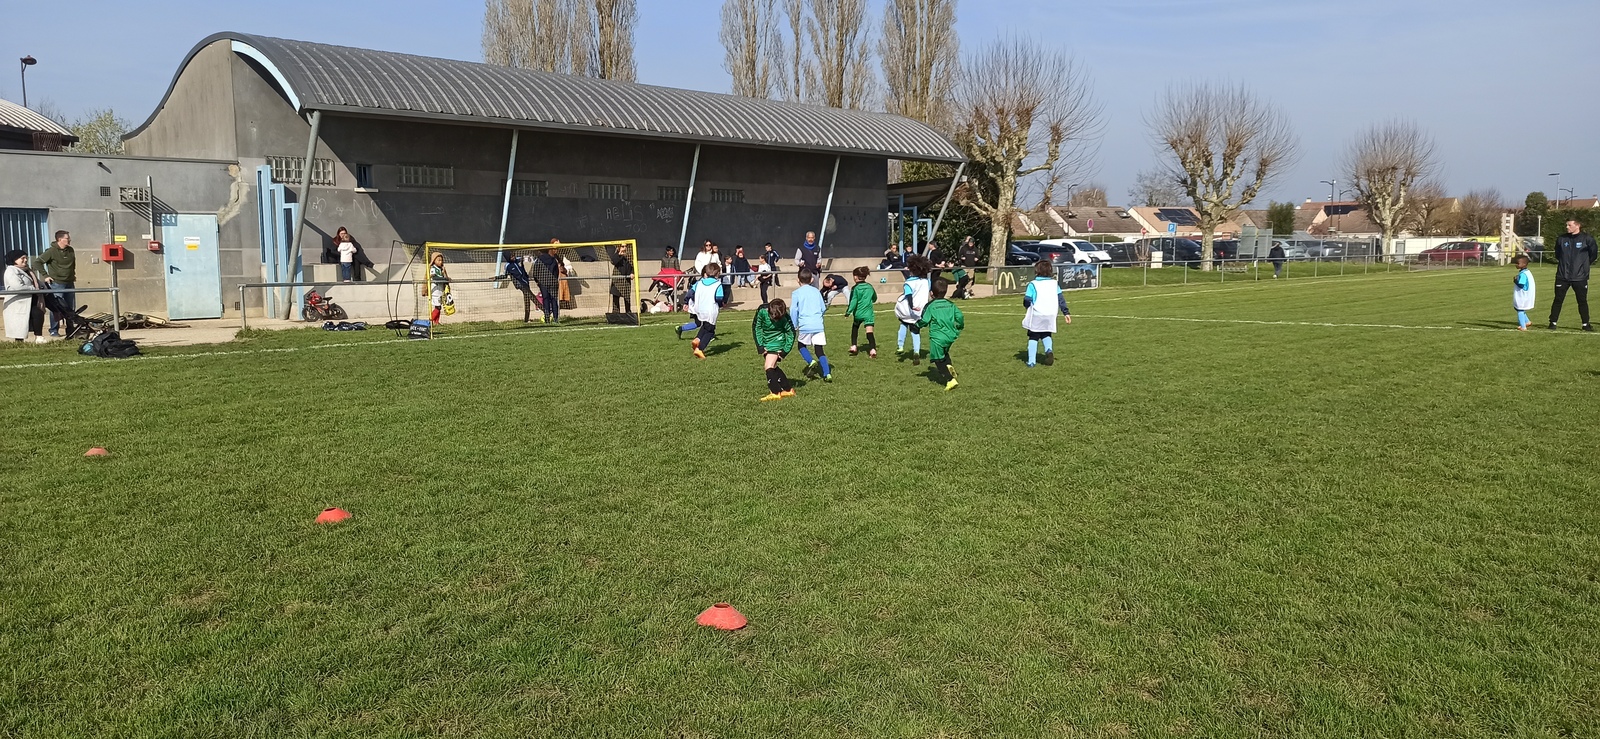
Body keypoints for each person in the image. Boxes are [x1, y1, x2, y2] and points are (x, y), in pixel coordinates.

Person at [916, 278, 965, 391]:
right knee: (944, 353)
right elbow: (960, 316)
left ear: (931, 293)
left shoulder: (930, 306)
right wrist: (959, 326)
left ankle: (950, 380)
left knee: (937, 359)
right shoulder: (951, 304)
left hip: (937, 337)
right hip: (950, 336)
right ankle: (949, 365)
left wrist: (916, 325)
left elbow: (925, 320)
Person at [1548, 218, 1596, 331]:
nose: (1567, 227)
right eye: (1566, 225)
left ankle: (1585, 324)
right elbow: (1558, 254)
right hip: (1562, 276)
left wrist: (1582, 266)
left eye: (1569, 225)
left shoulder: (1587, 239)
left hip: (1580, 277)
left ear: (1577, 225)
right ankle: (1552, 323)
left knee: (1582, 301)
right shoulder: (1561, 239)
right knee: (1558, 300)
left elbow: (1593, 255)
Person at [1022, 260, 1072, 366]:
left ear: (1037, 271)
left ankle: (1031, 361)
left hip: (1037, 314)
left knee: (1033, 336)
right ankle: (1048, 350)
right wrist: (1066, 313)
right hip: (1051, 314)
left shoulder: (1033, 284)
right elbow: (1061, 299)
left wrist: (1027, 306)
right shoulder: (1054, 284)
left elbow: (1027, 299)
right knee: (1046, 334)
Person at [791, 269, 831, 382]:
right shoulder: (816, 292)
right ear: (812, 279)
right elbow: (823, 308)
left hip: (805, 325)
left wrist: (794, 324)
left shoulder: (796, 293)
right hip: (818, 325)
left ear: (798, 280)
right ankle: (827, 374)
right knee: (819, 350)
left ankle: (811, 361)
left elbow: (793, 310)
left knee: (801, 346)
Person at [753, 298, 797, 401]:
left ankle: (775, 392)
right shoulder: (762, 310)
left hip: (778, 342)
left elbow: (791, 333)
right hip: (766, 341)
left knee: (768, 366)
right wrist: (760, 345)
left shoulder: (785, 317)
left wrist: (785, 351)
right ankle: (788, 389)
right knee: (773, 366)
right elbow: (756, 327)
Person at [35, 230, 75, 337]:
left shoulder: (70, 250)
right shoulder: (51, 251)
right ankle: (54, 330)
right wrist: (45, 275)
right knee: (57, 307)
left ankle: (71, 330)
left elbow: (72, 265)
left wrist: (72, 275)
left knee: (70, 307)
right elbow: (37, 263)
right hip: (57, 283)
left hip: (70, 283)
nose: (70, 240)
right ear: (60, 239)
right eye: (67, 238)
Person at [894, 255, 933, 365]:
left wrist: (911, 306)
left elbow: (909, 295)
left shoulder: (909, 283)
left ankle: (900, 346)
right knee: (915, 331)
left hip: (908, 310)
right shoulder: (927, 282)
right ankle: (916, 351)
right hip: (920, 311)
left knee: (903, 324)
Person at [3, 250, 47, 343]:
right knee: (19, 322)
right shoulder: (11, 271)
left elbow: (35, 281)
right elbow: (17, 286)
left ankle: (39, 337)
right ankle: (19, 341)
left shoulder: (27, 270)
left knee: (38, 313)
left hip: (31, 299)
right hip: (18, 302)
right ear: (14, 260)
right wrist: (33, 289)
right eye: (22, 258)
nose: (25, 260)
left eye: (26, 258)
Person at [689, 263, 728, 359]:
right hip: (711, 309)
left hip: (700, 308)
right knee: (710, 331)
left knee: (705, 326)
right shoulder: (717, 284)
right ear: (717, 273)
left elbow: (691, 292)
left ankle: (697, 339)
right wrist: (721, 304)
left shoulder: (699, 282)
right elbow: (719, 298)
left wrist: (687, 302)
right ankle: (700, 349)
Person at [846, 266, 878, 358]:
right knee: (869, 332)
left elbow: (853, 301)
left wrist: (848, 312)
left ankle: (854, 346)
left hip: (858, 313)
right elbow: (875, 298)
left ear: (855, 277)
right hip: (868, 313)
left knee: (855, 328)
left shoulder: (855, 288)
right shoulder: (870, 287)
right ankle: (872, 349)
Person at [531, 247, 562, 323]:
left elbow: (535, 272)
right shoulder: (553, 260)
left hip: (543, 283)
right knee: (554, 300)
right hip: (553, 283)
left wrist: (538, 281)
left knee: (546, 300)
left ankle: (547, 318)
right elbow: (556, 272)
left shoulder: (539, 260)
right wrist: (555, 280)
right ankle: (556, 319)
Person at [504, 251, 536, 323]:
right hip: (521, 285)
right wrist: (496, 277)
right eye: (511, 256)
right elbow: (505, 275)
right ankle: (546, 312)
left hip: (526, 283)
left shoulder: (518, 260)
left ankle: (526, 319)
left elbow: (526, 259)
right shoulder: (508, 266)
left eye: (514, 255)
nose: (513, 257)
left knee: (527, 301)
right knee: (533, 298)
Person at [1512, 254, 1536, 331]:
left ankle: (1523, 326)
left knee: (1520, 310)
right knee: (1518, 308)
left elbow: (1521, 284)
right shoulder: (1527, 272)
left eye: (1517, 263)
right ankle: (1527, 322)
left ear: (1524, 264)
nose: (1516, 265)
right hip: (1527, 294)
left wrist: (1515, 281)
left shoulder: (1523, 274)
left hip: (1523, 295)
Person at [610, 243, 634, 314]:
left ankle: (628, 312)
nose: (624, 248)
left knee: (627, 297)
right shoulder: (616, 255)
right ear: (619, 247)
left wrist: (632, 273)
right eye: (622, 246)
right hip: (617, 279)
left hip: (626, 279)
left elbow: (633, 266)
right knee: (616, 296)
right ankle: (616, 313)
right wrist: (620, 255)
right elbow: (613, 261)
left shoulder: (629, 256)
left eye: (626, 246)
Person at [428, 252, 451, 323]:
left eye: (441, 260)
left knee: (438, 307)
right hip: (435, 291)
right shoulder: (433, 268)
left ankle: (436, 322)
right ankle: (430, 320)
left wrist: (444, 273)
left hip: (440, 291)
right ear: (434, 260)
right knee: (438, 307)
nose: (440, 262)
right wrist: (444, 279)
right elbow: (434, 278)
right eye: (439, 260)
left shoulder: (441, 269)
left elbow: (445, 278)